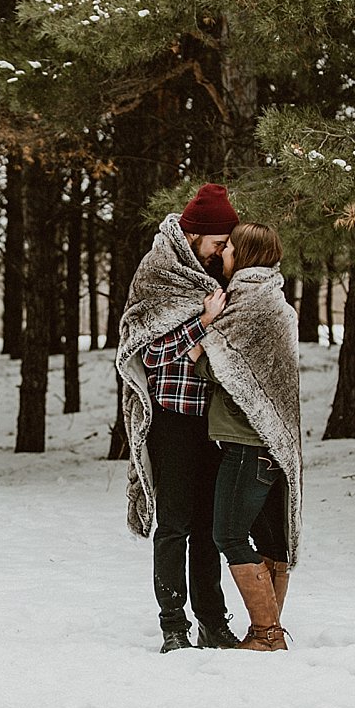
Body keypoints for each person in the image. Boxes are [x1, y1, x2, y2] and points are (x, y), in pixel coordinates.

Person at [115, 182, 243, 653]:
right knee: (174, 525)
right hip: (172, 420)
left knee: (211, 528)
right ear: (196, 235)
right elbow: (148, 352)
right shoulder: (159, 271)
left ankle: (212, 620)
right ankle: (173, 625)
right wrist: (202, 324)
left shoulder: (216, 277)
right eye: (219, 242)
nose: (223, 250)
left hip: (214, 422)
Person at [188, 222, 303, 652]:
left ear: (248, 255)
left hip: (246, 444)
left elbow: (216, 365)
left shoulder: (249, 303)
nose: (224, 254)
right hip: (270, 444)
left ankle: (266, 633)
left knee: (229, 536)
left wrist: (203, 333)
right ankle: (268, 633)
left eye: (231, 248)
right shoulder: (276, 302)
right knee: (271, 542)